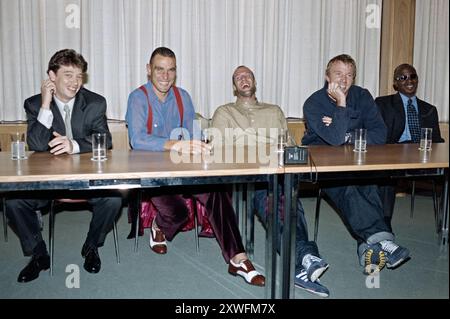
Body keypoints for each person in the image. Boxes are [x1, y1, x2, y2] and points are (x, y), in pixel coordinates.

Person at [125, 47, 265, 287]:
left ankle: (238, 258)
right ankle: (158, 226)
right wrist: (178, 145)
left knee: (218, 190)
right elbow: (137, 140)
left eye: (171, 70)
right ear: (149, 70)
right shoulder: (138, 97)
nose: (165, 76)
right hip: (154, 174)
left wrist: (201, 145)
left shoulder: (183, 97)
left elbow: (194, 133)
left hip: (185, 169)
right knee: (179, 215)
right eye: (160, 69)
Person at [211, 65, 330, 297]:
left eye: (248, 76)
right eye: (238, 78)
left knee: (287, 198)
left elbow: (289, 146)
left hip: (276, 171)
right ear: (234, 87)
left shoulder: (274, 110)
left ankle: (302, 262)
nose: (244, 79)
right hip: (245, 175)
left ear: (254, 82)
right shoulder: (224, 112)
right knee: (274, 199)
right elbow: (217, 149)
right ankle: (304, 257)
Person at [5, 49, 123, 283]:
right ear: (52, 76)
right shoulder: (34, 104)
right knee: (14, 201)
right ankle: (39, 254)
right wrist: (46, 104)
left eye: (79, 76)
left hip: (86, 179)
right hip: (48, 181)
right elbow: (37, 143)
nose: (75, 82)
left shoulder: (95, 103)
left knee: (114, 199)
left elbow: (105, 139)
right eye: (68, 75)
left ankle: (91, 246)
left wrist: (74, 145)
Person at [302, 54, 410, 274]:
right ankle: (383, 240)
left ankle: (369, 245)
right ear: (326, 76)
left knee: (375, 182)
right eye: (338, 74)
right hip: (325, 165)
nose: (344, 80)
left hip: (359, 160)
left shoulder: (363, 96)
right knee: (349, 187)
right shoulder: (313, 103)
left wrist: (346, 133)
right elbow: (333, 140)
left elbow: (380, 134)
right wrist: (342, 105)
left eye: (349, 75)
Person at [375, 64, 445, 228]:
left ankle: (445, 224)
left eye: (412, 76)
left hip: (423, 157)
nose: (409, 81)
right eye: (403, 77)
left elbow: (436, 140)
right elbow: (379, 136)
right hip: (394, 156)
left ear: (417, 80)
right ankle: (384, 226)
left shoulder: (429, 109)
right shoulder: (383, 104)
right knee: (386, 174)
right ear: (395, 83)